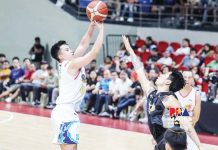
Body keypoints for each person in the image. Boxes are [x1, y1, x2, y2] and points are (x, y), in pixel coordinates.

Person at [122, 35, 202, 150]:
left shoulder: (170, 100)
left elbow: (186, 123)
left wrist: (200, 145)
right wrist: (130, 50)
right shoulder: (151, 93)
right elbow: (139, 69)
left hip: (170, 143)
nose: (160, 74)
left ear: (168, 81)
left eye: (164, 74)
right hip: (160, 142)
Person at [50, 21, 104, 150]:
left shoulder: (68, 63)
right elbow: (94, 53)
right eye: (67, 50)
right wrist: (101, 30)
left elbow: (83, 44)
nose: (72, 50)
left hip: (67, 111)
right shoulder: (71, 65)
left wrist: (91, 27)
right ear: (61, 56)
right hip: (65, 113)